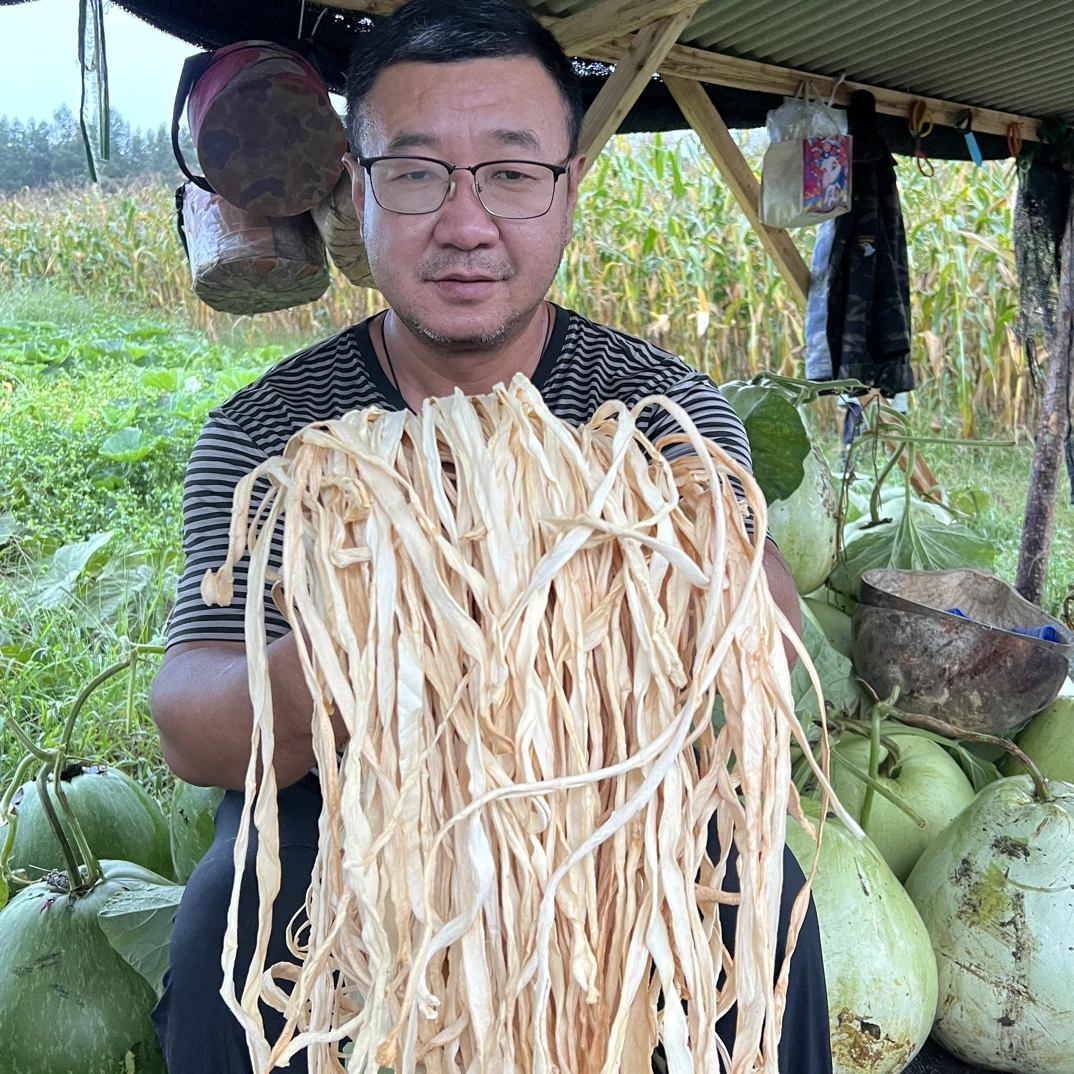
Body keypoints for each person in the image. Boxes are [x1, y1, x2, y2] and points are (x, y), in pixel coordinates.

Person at [150, 2, 831, 1071]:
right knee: (219, 934)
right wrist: (375, 634)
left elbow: (762, 628)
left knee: (758, 899)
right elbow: (191, 728)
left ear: (568, 191)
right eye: (417, 174)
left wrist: (569, 589)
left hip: (607, 804)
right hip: (346, 808)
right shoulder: (273, 432)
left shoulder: (654, 405)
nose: (466, 224)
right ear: (359, 192)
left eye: (512, 175)